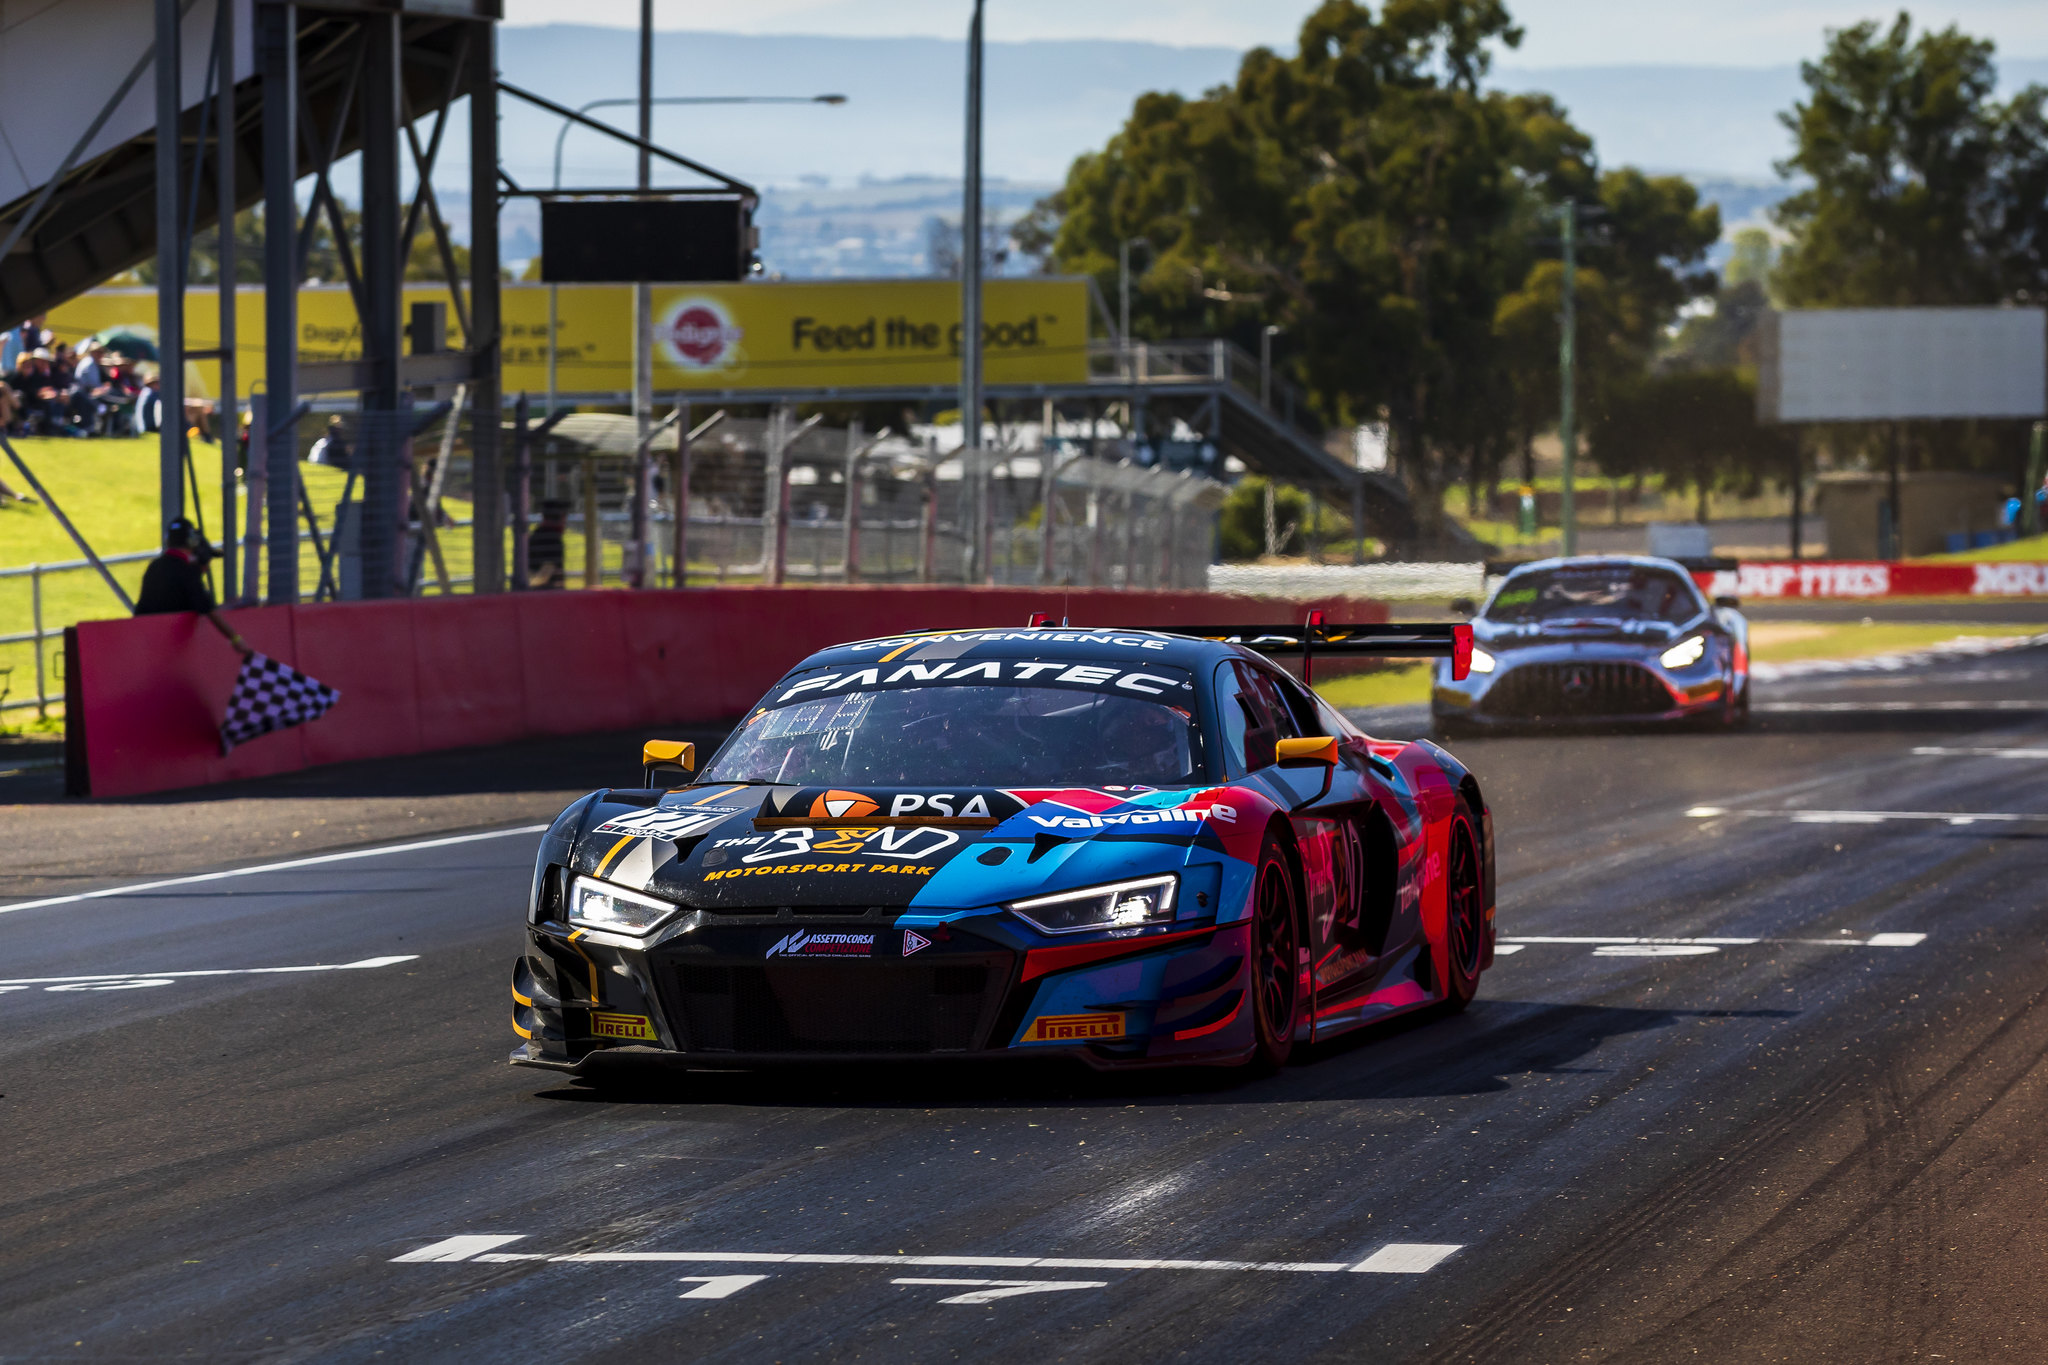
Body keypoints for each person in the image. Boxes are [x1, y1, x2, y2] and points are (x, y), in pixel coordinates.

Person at [135, 516, 251, 656]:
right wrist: (235, 639)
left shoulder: (153, 567)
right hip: (169, 648)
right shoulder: (187, 571)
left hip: (147, 643)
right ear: (191, 540)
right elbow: (208, 610)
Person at [527, 499, 569, 588]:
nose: (565, 524)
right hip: (545, 591)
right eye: (564, 518)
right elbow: (544, 574)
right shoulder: (552, 539)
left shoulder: (537, 534)